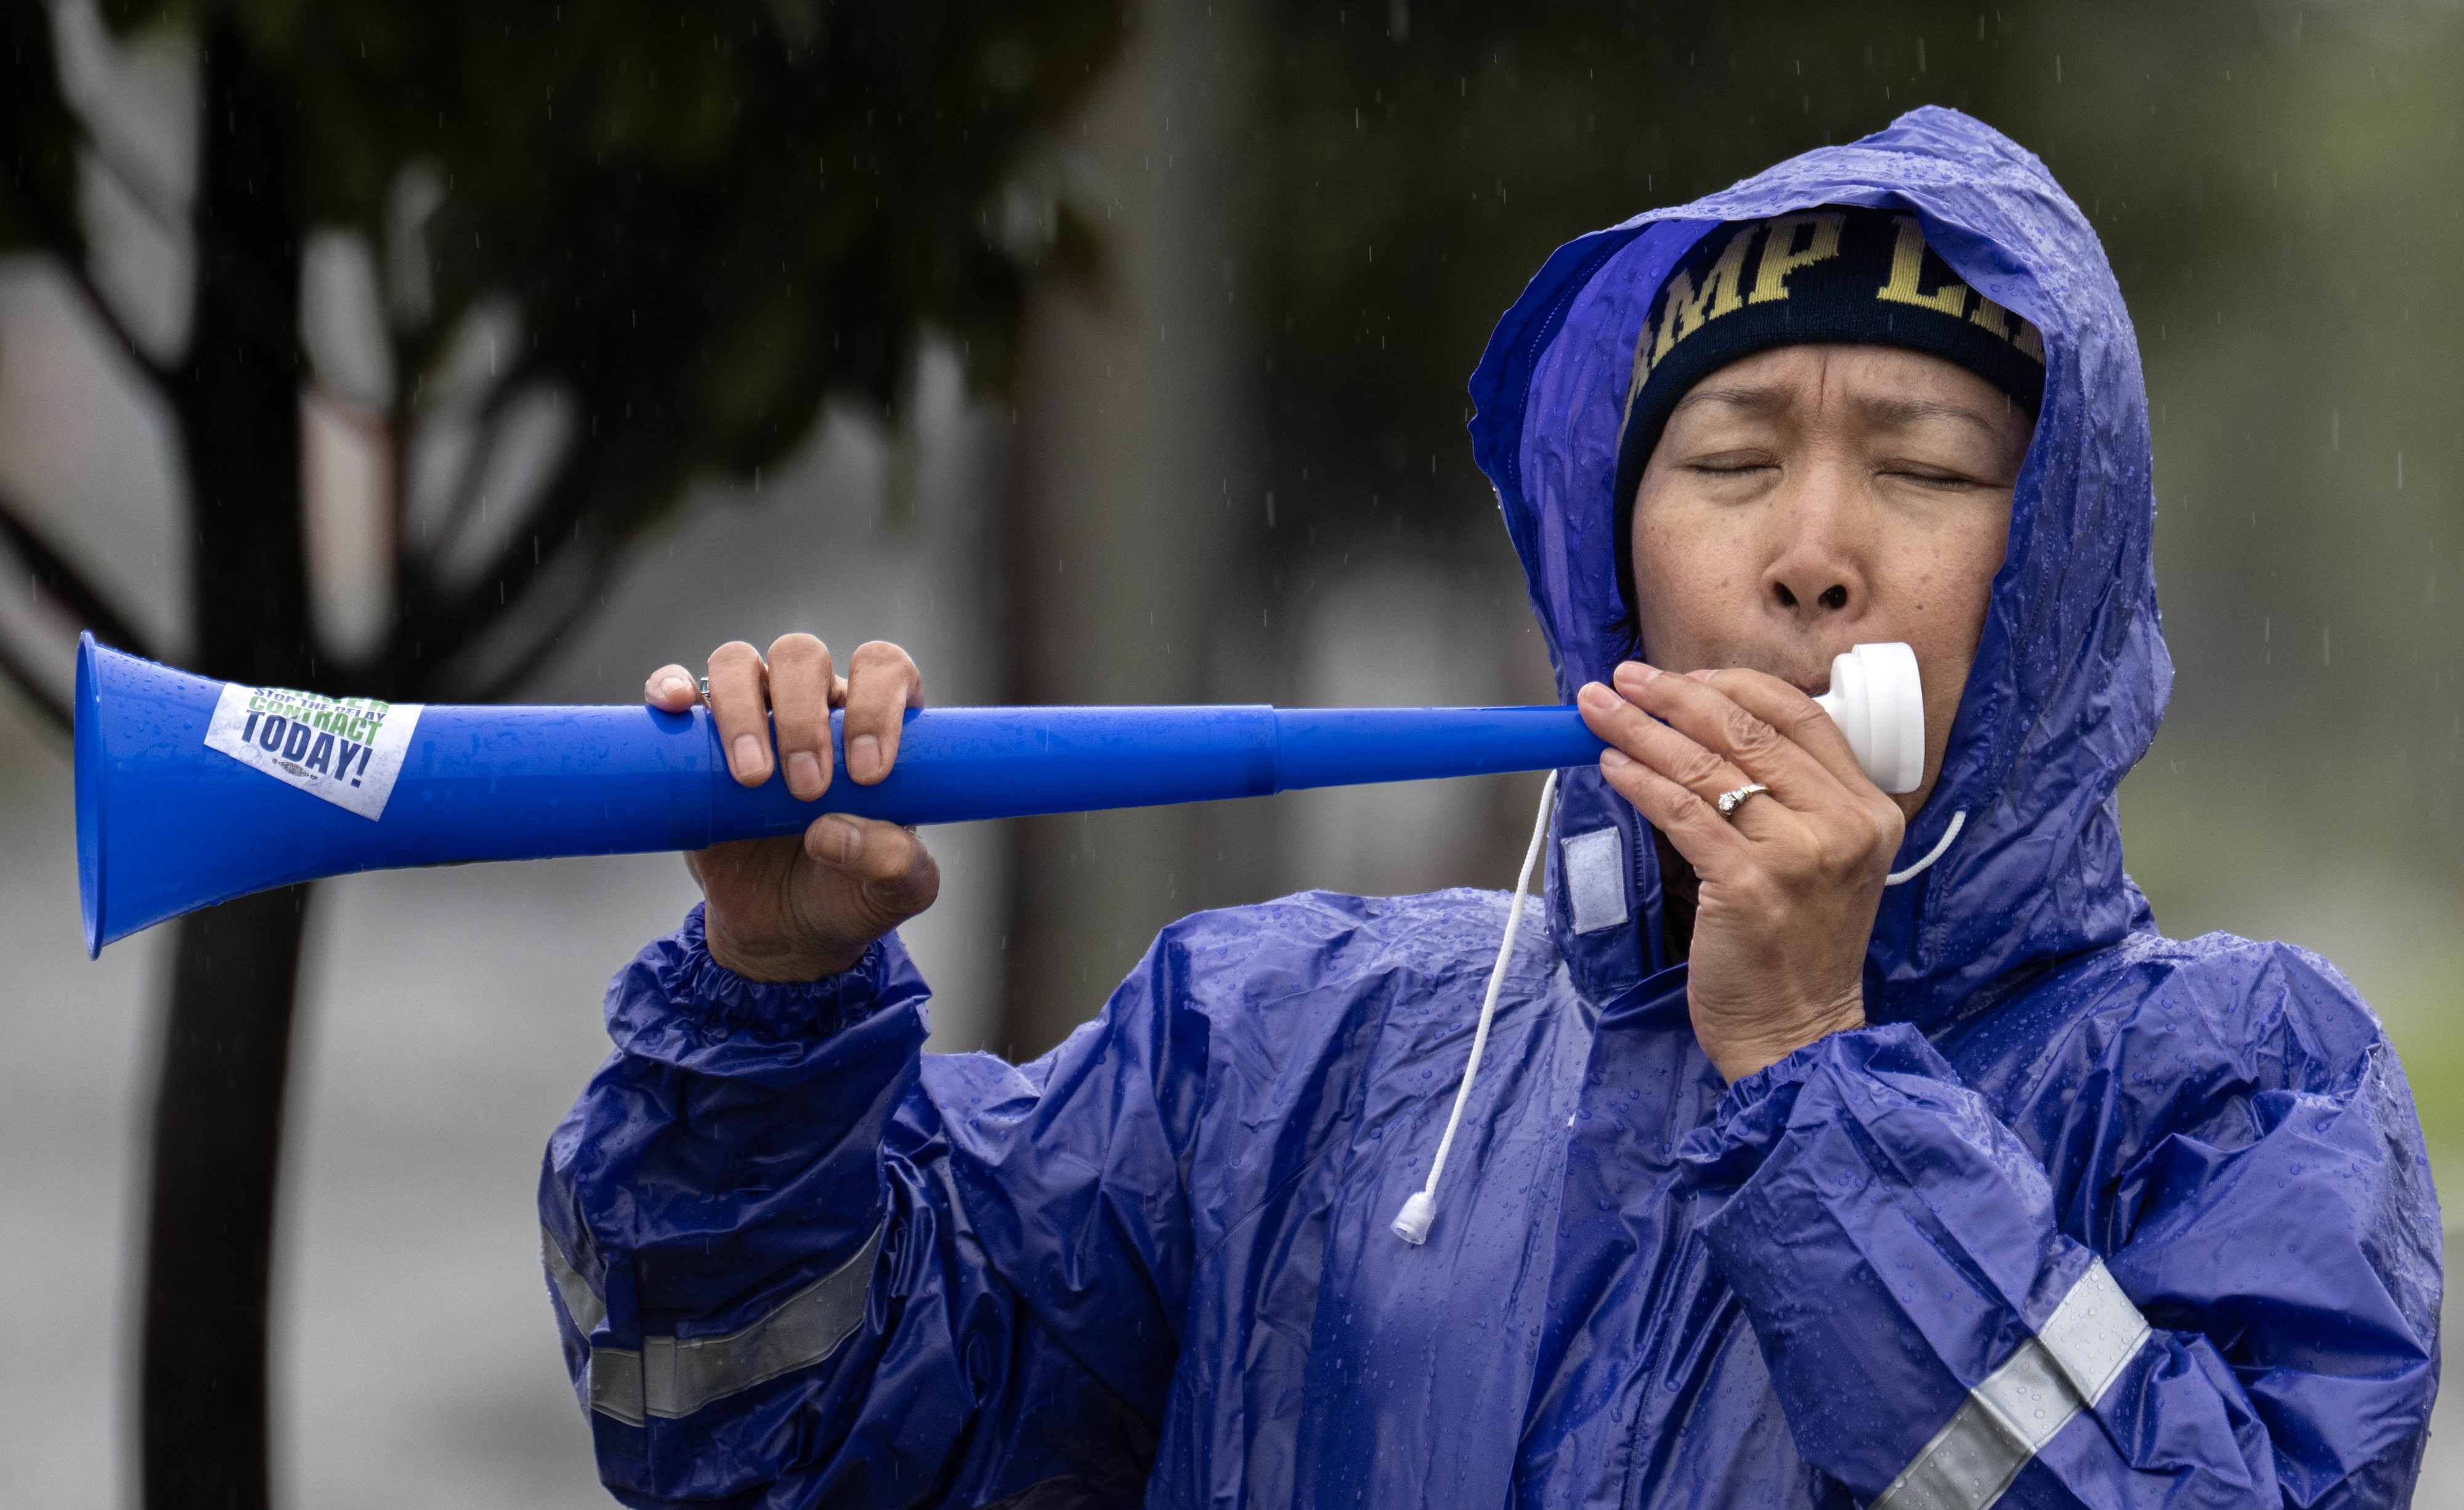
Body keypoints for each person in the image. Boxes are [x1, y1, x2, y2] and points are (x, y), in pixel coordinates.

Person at [538, 108, 2441, 1508]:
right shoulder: (1291, 1048)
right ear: (1621, 574)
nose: (1811, 553)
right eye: (1731, 460)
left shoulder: (2241, 1093)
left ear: (2058, 577)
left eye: (1928, 469)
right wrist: (769, 1016)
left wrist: (1815, 1075)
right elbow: (761, 1435)